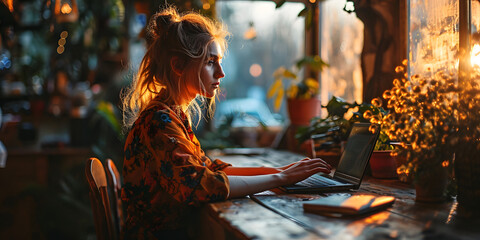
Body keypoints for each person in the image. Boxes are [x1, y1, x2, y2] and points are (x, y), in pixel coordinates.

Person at [121, 6, 331, 240]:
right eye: (211, 62)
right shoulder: (158, 121)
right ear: (178, 65)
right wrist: (280, 179)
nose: (221, 73)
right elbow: (201, 185)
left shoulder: (170, 114)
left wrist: (280, 171)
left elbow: (209, 170)